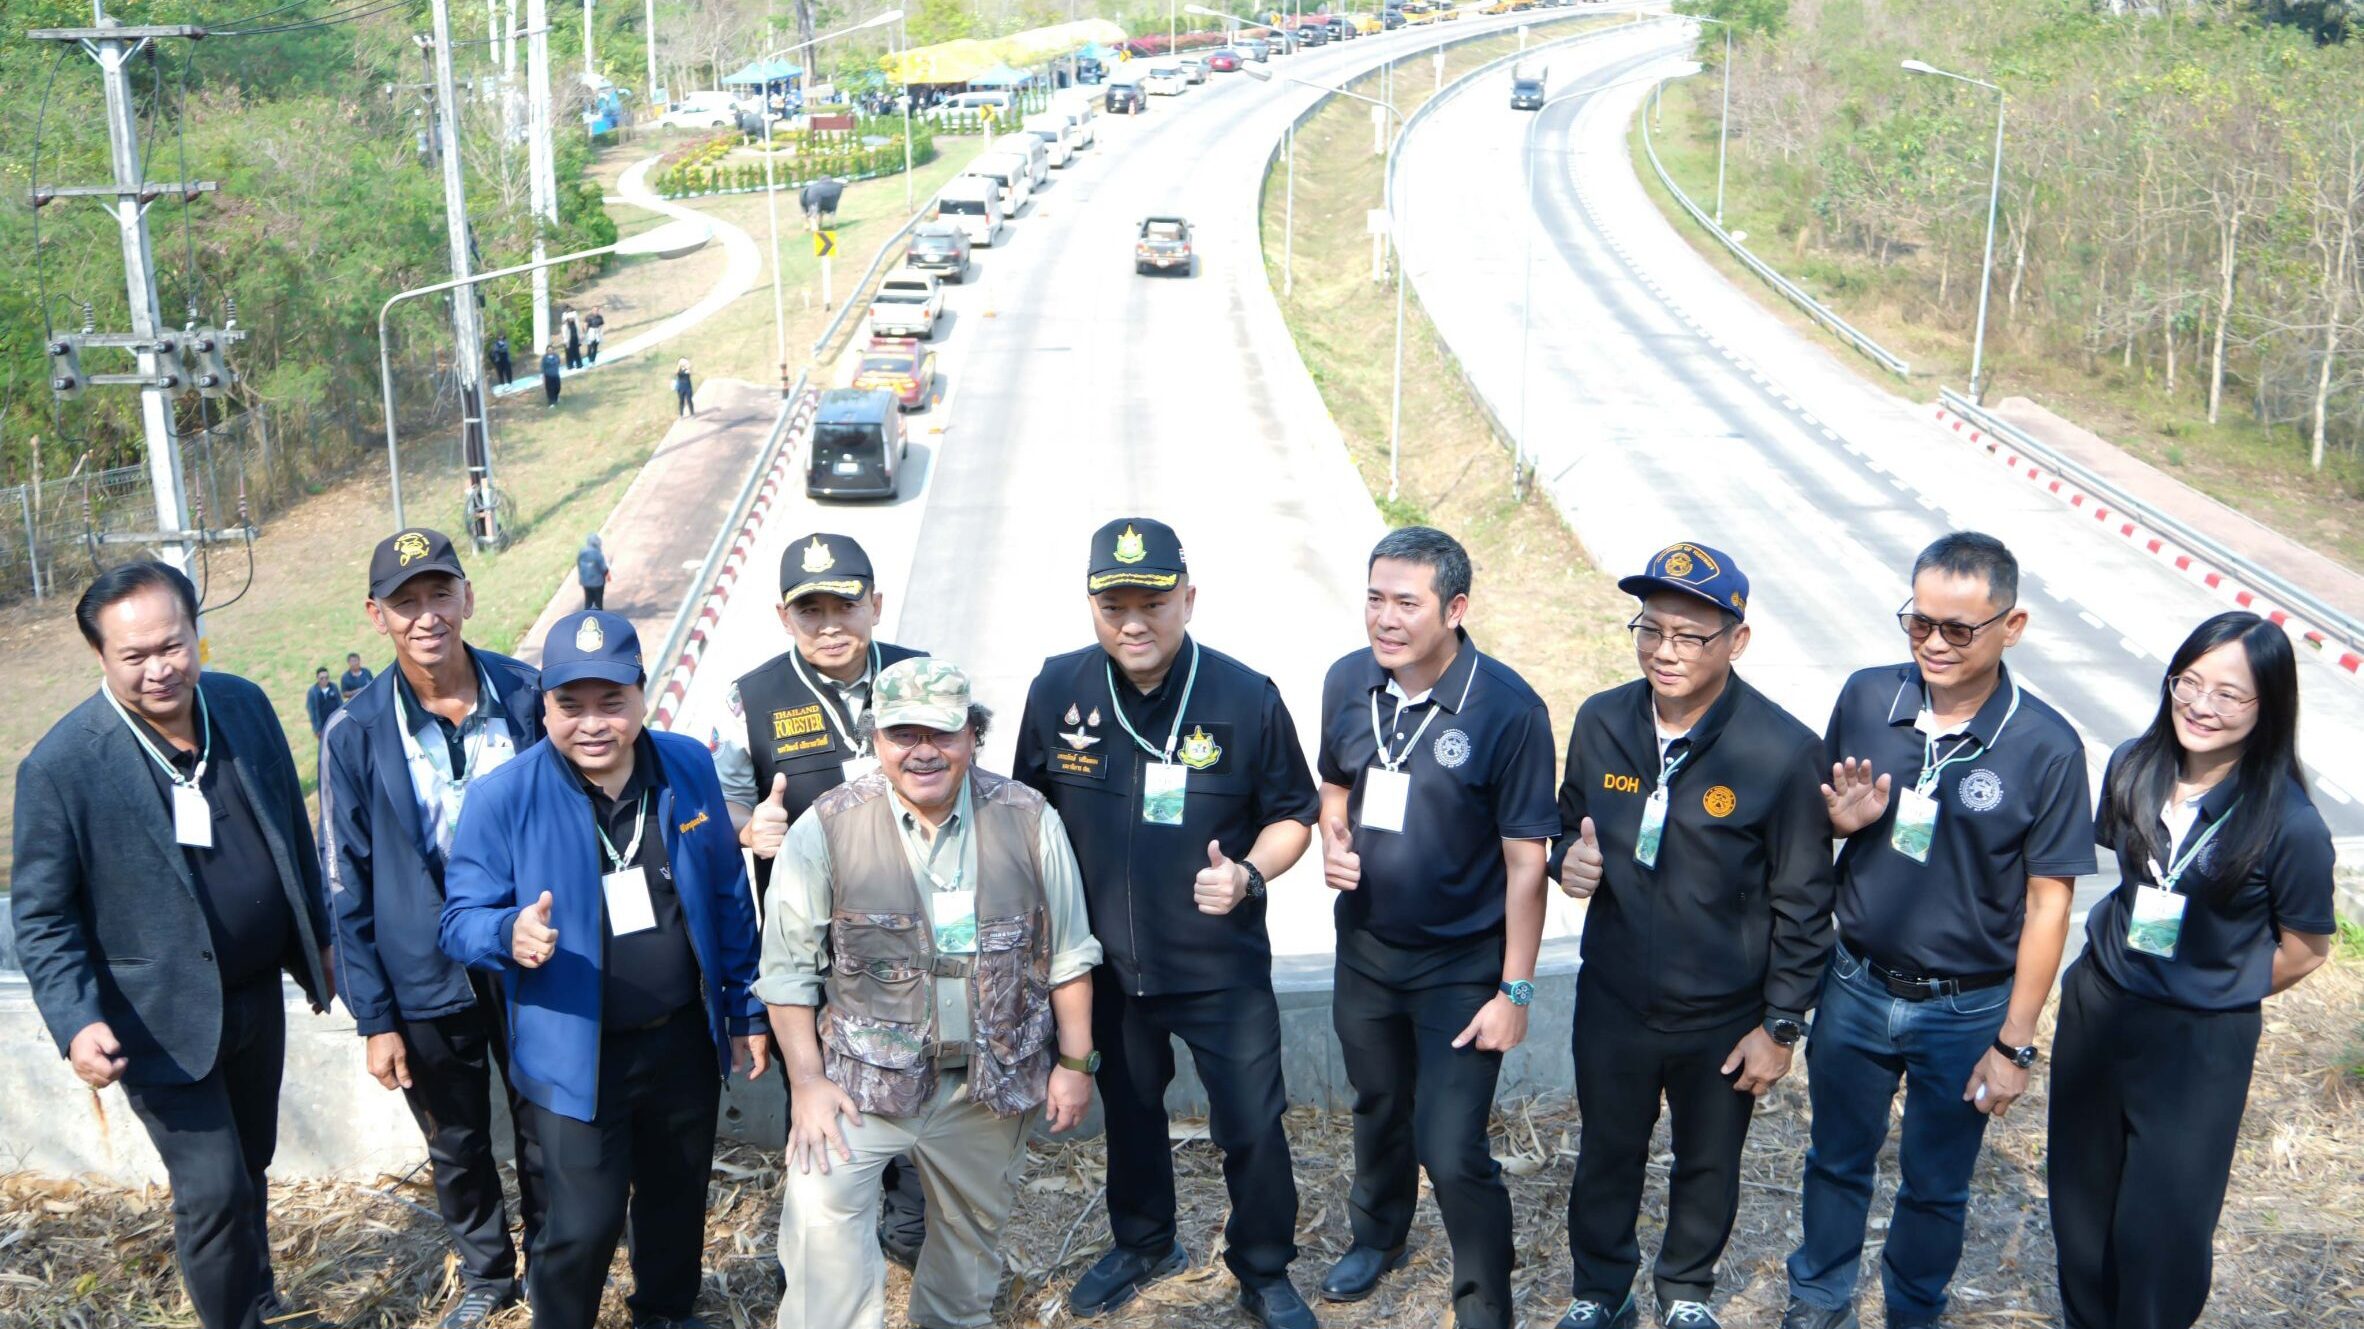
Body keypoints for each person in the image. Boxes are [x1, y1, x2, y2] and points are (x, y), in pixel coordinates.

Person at [12, 561, 337, 1329]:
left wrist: (319, 938)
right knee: (212, 1186)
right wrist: (76, 1021)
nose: (160, 667)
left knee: (249, 1162)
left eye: (173, 644)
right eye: (135, 655)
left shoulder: (241, 705)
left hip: (255, 993)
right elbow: (42, 916)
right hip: (156, 1017)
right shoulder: (62, 766)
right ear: (100, 654)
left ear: (196, 631)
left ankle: (259, 1303)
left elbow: (291, 827)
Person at [1782, 532, 2094, 1329]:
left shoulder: (2047, 745)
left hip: (1965, 1009)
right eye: (1919, 622)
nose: (1933, 643)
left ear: (2011, 626)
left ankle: (1913, 1311)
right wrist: (1839, 821)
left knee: (1936, 1185)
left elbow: (2050, 904)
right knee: (1834, 1159)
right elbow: (1813, 825)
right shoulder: (1866, 696)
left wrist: (2015, 1044)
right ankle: (1818, 1298)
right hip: (1854, 984)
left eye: (1958, 628)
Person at [1014, 519, 1321, 1328]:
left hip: (1218, 965)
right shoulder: (1057, 687)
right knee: (1132, 1112)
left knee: (1252, 1125)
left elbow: (1294, 814)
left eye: (1151, 602)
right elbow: (1025, 812)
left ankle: (1263, 1266)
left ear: (1188, 598)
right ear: (1091, 605)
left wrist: (1249, 873)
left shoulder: (1244, 696)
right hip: (1108, 968)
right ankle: (1146, 1242)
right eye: (1113, 604)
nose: (1133, 622)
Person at [439, 610, 769, 1329]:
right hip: (574, 1051)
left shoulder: (686, 766)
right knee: (583, 1221)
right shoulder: (505, 797)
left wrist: (745, 1007)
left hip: (681, 1035)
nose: (592, 723)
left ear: (643, 695)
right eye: (571, 704)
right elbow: (458, 919)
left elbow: (726, 892)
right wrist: (507, 931)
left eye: (611, 701)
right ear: (545, 707)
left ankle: (665, 1313)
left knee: (677, 1196)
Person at [761, 658, 1103, 1329]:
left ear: (973, 734)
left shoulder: (1028, 819)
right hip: (859, 1085)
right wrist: (806, 1082)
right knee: (822, 1245)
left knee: (967, 1261)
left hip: (986, 1089)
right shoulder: (826, 827)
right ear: (875, 740)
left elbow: (1068, 952)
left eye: (942, 733)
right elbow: (787, 971)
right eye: (902, 734)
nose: (923, 751)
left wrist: (1074, 1063)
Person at [1547, 543, 1837, 1329]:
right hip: (1614, 997)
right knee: (1607, 1150)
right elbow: (1565, 822)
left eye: (1689, 635)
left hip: (1723, 1013)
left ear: (1737, 640)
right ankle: (1601, 1289)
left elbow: (1805, 900)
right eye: (1650, 628)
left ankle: (1685, 1292)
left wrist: (1781, 1024)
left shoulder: (1780, 749)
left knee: (1708, 1163)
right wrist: (1565, 861)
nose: (1664, 651)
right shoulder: (1602, 720)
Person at [2047, 611, 2335, 1329]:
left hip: (2198, 1042)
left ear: (2269, 705)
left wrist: (2214, 985)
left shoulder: (2290, 823)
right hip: (2100, 1007)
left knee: (2162, 1234)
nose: (2202, 705)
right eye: (2190, 682)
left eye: (2229, 693)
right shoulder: (2133, 765)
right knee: (2080, 1211)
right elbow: (2130, 878)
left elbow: (2305, 948)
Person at [1314, 526, 1558, 1328]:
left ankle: (1485, 1299)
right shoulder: (1348, 680)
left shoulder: (1508, 709)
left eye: (1406, 603)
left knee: (1451, 1145)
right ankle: (1377, 1235)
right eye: (1375, 598)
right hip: (1367, 947)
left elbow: (1526, 864)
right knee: (1378, 1104)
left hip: (1461, 964)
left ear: (1455, 609)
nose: (1385, 619)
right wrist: (1333, 835)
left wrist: (1515, 990)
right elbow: (1335, 781)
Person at [317, 529, 547, 1329]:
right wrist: (375, 1018)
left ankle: (552, 1259)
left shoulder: (527, 694)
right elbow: (345, 883)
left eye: (440, 594)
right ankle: (488, 1273)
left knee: (545, 1120)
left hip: (528, 953)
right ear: (376, 615)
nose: (427, 616)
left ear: (467, 598)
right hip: (425, 968)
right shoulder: (353, 731)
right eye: (405, 602)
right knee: (455, 1137)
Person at [719, 532, 931, 1261]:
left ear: (876, 603)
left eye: (845, 605)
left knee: (920, 1081)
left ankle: (911, 1230)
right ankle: (821, 1247)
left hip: (915, 934)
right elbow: (726, 800)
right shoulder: (752, 697)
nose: (830, 625)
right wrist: (751, 827)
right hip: (812, 943)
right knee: (813, 1091)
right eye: (811, 610)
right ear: (784, 616)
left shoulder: (920, 674)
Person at [305, 666, 343, 738]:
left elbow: (340, 704)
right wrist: (316, 729)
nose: (324, 680)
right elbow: (312, 712)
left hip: (335, 723)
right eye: (321, 678)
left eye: (326, 678)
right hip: (322, 725)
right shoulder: (312, 692)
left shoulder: (334, 687)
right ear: (317, 678)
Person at [577, 533, 609, 611]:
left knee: (588, 600)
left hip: (585, 582)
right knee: (598, 602)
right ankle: (598, 615)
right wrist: (607, 572)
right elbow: (604, 568)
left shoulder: (582, 552)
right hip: (597, 583)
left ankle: (587, 615)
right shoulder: (597, 554)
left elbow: (579, 564)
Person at [541, 342, 563, 408]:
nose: (550, 351)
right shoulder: (544, 358)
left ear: (553, 350)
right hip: (548, 376)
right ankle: (551, 403)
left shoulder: (556, 356)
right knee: (550, 389)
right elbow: (542, 367)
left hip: (556, 375)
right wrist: (543, 375)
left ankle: (556, 398)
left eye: (551, 350)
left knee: (558, 387)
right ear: (547, 351)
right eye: (548, 350)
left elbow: (558, 362)